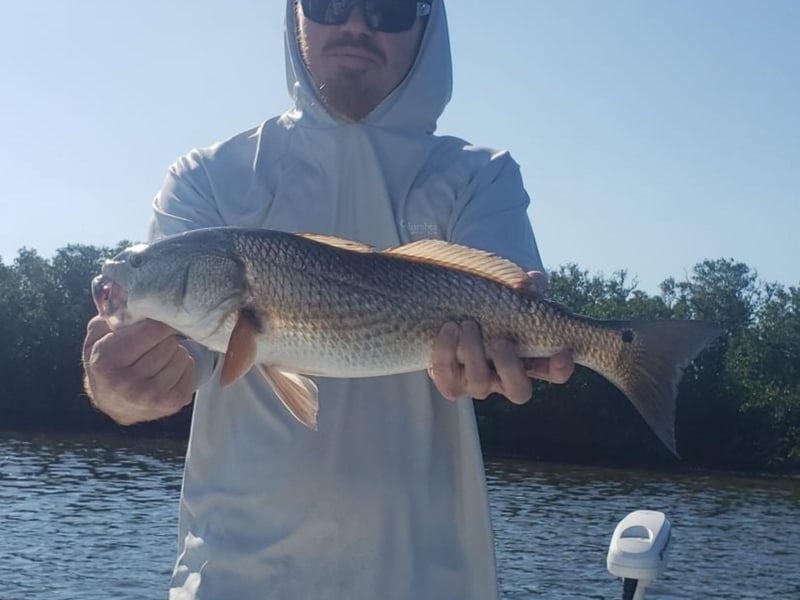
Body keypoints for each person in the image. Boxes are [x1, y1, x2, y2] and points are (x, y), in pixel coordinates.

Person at [82, 1, 574, 598]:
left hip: (430, 578)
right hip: (232, 578)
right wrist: (120, 388)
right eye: (329, 1)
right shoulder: (207, 177)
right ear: (294, 13)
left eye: (389, 8)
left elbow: (515, 316)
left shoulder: (482, 177)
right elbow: (189, 359)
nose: (357, 25)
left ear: (429, 21)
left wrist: (507, 359)